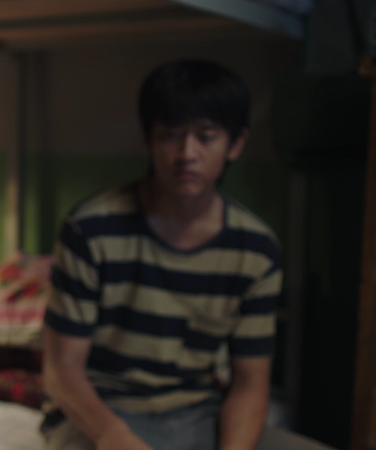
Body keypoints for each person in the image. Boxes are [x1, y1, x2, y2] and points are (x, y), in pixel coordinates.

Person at [42, 59, 281, 450]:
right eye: (171, 135)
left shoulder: (256, 249)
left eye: (206, 137)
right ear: (148, 139)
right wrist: (114, 437)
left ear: (235, 144)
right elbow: (62, 369)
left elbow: (250, 381)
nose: (187, 153)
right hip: (101, 413)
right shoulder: (92, 229)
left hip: (197, 414)